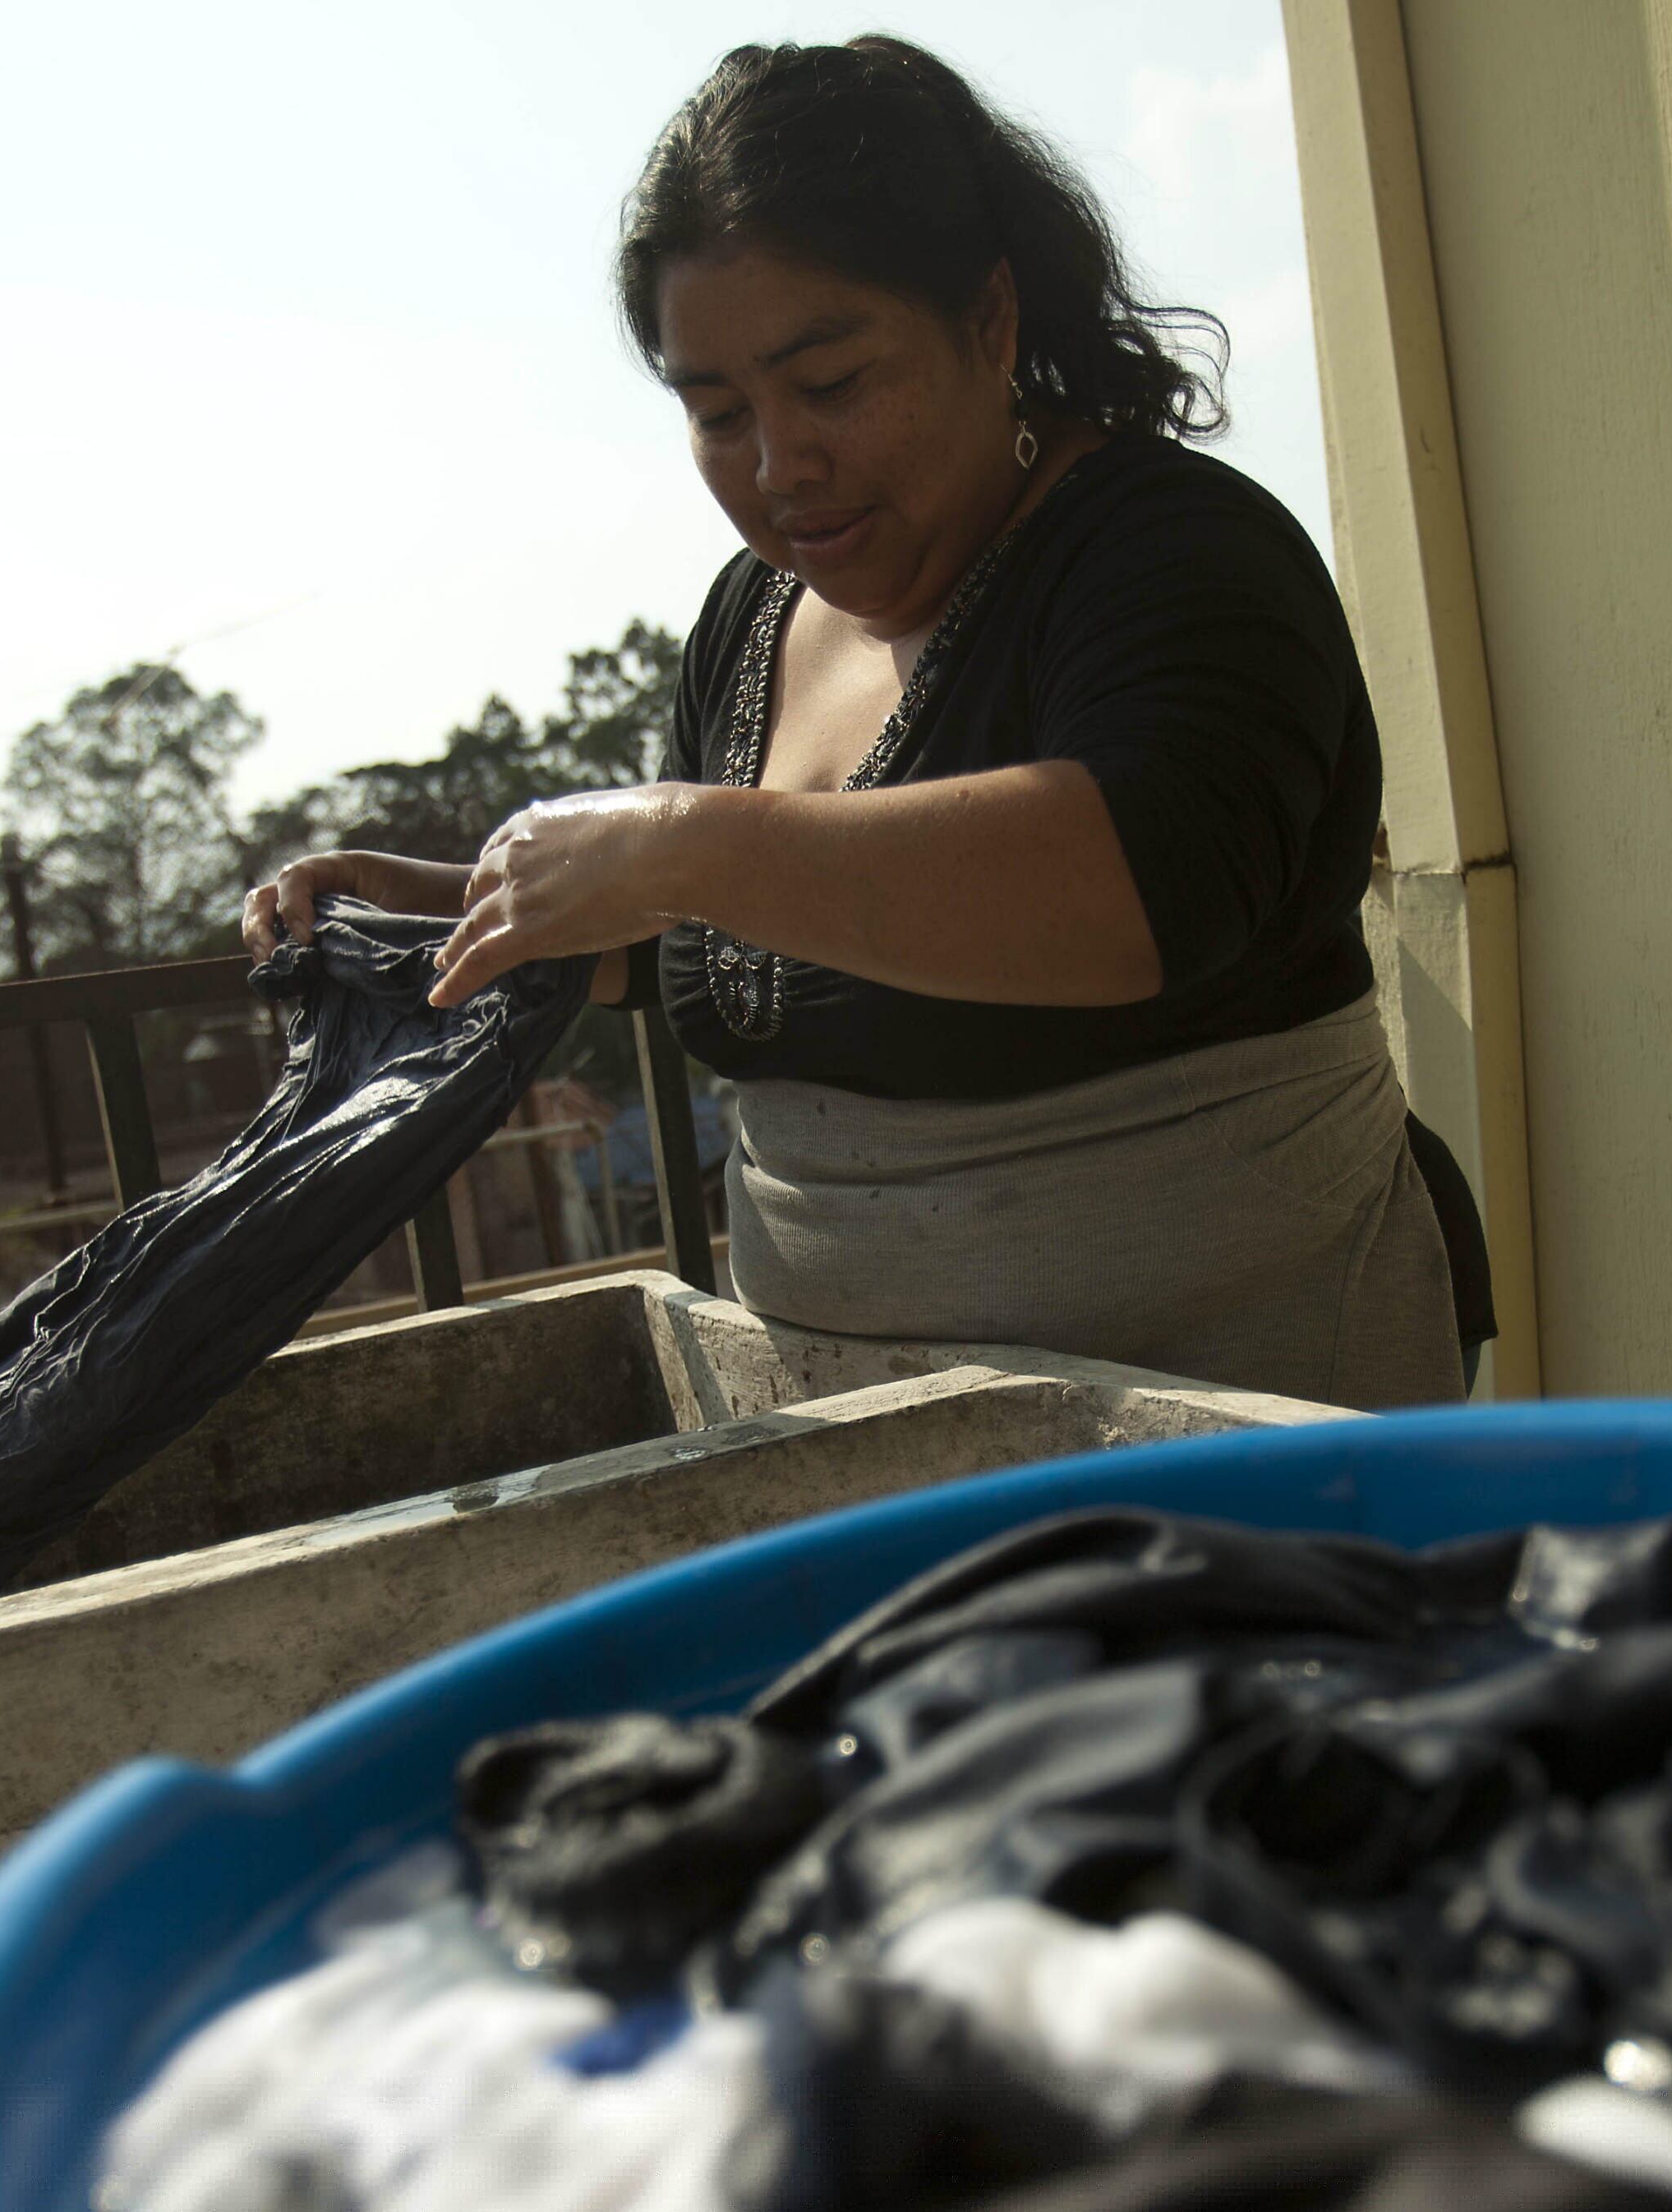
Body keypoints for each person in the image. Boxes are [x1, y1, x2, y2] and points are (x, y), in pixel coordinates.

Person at [248, 35, 1463, 1410]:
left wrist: (668, 842)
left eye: (829, 385)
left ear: (992, 322)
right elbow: (740, 933)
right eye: (716, 413)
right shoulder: (749, 622)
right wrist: (462, 908)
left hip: (1232, 1406)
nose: (779, 465)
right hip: (842, 1425)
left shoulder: (1174, 552)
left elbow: (1141, 886)